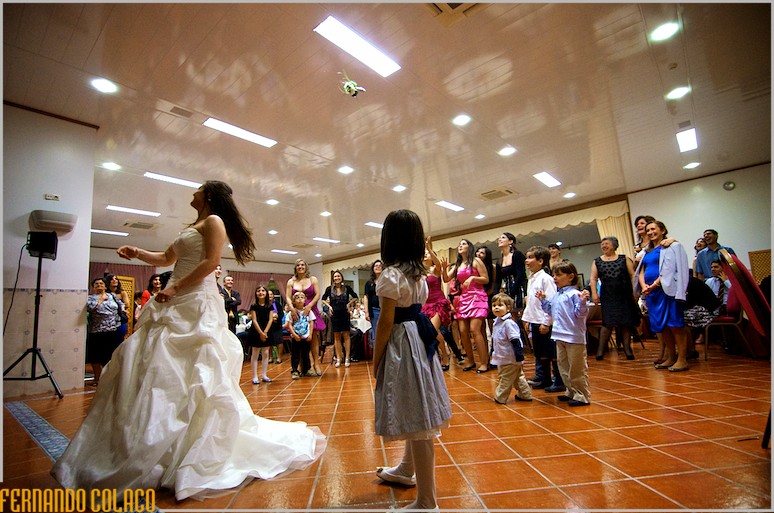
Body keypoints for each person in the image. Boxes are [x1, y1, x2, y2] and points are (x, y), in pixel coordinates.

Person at [52, 180, 326, 502]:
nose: (192, 193)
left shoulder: (214, 221)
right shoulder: (193, 225)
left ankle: (192, 445)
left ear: (207, 195)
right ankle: (156, 443)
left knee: (198, 370)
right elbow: (166, 257)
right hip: (175, 300)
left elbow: (211, 262)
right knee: (156, 366)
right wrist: (138, 253)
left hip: (195, 301)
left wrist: (175, 287)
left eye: (197, 190)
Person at [373, 209, 451, 511]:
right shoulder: (418, 275)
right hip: (417, 339)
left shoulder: (391, 275)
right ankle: (406, 469)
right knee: (417, 405)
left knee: (418, 418)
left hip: (402, 342)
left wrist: (377, 359)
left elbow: (385, 322)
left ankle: (427, 501)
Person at [634, 220, 691, 372]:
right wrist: (644, 286)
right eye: (648, 230)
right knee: (662, 326)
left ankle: (682, 359)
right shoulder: (646, 251)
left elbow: (670, 269)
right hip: (652, 293)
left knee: (675, 324)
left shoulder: (672, 246)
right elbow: (641, 270)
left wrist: (654, 284)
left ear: (663, 230)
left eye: (653, 229)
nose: (650, 232)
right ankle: (671, 357)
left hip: (668, 290)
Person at [536, 261, 591, 406]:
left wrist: (583, 302)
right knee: (563, 366)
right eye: (554, 274)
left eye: (559, 275)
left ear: (571, 276)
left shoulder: (575, 294)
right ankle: (570, 390)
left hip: (574, 337)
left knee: (577, 368)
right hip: (559, 335)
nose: (555, 278)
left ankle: (582, 395)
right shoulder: (556, 296)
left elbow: (580, 313)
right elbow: (550, 310)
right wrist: (543, 299)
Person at [442, 239, 490, 373]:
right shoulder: (458, 265)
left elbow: (486, 279)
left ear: (470, 247)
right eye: (459, 244)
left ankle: (484, 362)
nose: (460, 246)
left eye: (464, 244)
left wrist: (473, 278)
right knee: (463, 331)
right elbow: (446, 279)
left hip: (477, 296)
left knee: (475, 329)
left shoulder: (476, 261)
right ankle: (471, 360)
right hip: (464, 298)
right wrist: (444, 269)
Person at [589, 236, 639, 360]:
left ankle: (627, 349)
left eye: (606, 243)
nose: (604, 246)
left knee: (626, 322)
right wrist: (594, 293)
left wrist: (635, 291)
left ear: (614, 245)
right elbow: (593, 279)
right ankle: (600, 351)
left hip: (624, 295)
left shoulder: (624, 258)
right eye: (602, 244)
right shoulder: (597, 261)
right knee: (607, 323)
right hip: (608, 296)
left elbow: (633, 275)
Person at [522, 246, 563, 392]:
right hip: (535, 320)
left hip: (544, 322)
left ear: (540, 261)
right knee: (541, 353)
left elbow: (550, 302)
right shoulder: (532, 278)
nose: (527, 261)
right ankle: (545, 378)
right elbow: (531, 302)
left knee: (552, 352)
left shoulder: (546, 279)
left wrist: (546, 322)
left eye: (530, 257)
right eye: (526, 257)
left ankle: (559, 380)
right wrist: (527, 319)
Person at [490, 293, 532, 405]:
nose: (496, 307)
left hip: (510, 358)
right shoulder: (497, 323)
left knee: (505, 378)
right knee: (518, 377)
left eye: (500, 305)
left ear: (508, 308)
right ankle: (525, 394)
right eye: (494, 305)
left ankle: (500, 397)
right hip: (502, 357)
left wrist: (519, 355)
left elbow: (515, 340)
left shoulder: (508, 323)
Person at [285, 259, 325, 376]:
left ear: (306, 267)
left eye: (302, 265)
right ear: (295, 268)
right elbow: (288, 297)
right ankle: (300, 366)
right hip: (296, 311)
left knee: (313, 338)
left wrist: (309, 306)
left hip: (311, 309)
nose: (300, 267)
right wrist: (292, 308)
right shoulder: (291, 281)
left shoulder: (313, 279)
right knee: (298, 339)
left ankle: (316, 363)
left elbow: (317, 294)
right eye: (298, 265)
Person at [84, 276, 124, 386]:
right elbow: (90, 308)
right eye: (96, 284)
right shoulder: (91, 298)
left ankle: (108, 379)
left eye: (101, 283)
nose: (99, 285)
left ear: (106, 286)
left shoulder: (112, 296)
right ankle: (97, 378)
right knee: (95, 356)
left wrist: (122, 310)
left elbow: (121, 305)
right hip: (96, 331)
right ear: (93, 287)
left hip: (112, 330)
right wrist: (100, 300)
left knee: (110, 355)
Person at [421, 239, 453, 370]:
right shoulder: (421, 271)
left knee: (433, 330)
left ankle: (445, 355)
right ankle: (439, 353)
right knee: (427, 331)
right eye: (424, 254)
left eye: (428, 254)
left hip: (438, 302)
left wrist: (429, 248)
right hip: (426, 304)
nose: (426, 255)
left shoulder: (436, 269)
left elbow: (439, 264)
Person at [322, 270, 358, 368]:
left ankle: (347, 357)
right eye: (335, 276)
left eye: (338, 276)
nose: (337, 278)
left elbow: (355, 297)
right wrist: (329, 307)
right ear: (333, 279)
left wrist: (349, 304)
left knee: (346, 336)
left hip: (344, 313)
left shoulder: (346, 288)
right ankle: (338, 358)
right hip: (334, 314)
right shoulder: (329, 289)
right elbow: (323, 299)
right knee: (337, 337)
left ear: (341, 278)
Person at [284, 291, 316, 379]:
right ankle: (295, 370)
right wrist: (294, 335)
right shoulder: (291, 313)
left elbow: (311, 322)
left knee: (306, 353)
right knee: (295, 354)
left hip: (306, 336)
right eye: (297, 298)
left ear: (305, 300)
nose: (300, 299)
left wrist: (310, 334)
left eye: (302, 297)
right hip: (296, 337)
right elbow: (289, 324)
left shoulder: (308, 311)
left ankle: (307, 369)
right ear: (293, 301)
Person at [248, 285, 276, 384]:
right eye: (258, 291)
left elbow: (271, 319)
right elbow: (254, 320)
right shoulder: (254, 306)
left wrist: (265, 332)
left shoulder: (270, 306)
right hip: (256, 331)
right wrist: (260, 332)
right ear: (256, 293)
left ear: (266, 293)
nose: (261, 292)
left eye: (263, 290)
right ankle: (254, 376)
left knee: (266, 353)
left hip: (267, 330)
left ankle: (264, 375)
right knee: (255, 353)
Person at [495, 232, 527, 314]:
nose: (500, 239)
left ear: (510, 241)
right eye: (499, 238)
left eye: (503, 237)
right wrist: (496, 294)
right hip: (507, 290)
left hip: (519, 288)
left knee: (520, 313)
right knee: (509, 314)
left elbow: (521, 275)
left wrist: (513, 292)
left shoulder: (517, 254)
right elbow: (498, 280)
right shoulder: (499, 260)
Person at [363, 260, 383, 350]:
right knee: (375, 333)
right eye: (376, 266)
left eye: (380, 266)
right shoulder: (369, 283)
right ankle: (376, 355)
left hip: (385, 309)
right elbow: (366, 297)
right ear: (373, 269)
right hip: (374, 310)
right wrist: (366, 312)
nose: (378, 267)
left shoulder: (386, 281)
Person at [107, 274, 130, 340]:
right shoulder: (106, 294)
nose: (114, 280)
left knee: (120, 339)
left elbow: (127, 304)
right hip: (109, 320)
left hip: (120, 318)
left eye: (116, 279)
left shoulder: (122, 293)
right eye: (112, 279)